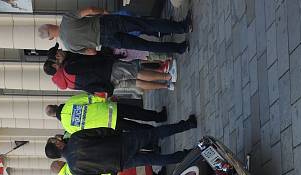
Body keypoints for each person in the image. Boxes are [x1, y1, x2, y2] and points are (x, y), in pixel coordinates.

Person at [44, 116, 197, 175]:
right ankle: (188, 124)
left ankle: (190, 154)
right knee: (154, 134)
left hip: (119, 163)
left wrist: (107, 167)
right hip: (120, 143)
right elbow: (101, 131)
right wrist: (116, 134)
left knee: (155, 160)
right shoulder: (76, 138)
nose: (58, 139)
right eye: (56, 140)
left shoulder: (74, 169)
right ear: (57, 145)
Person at [38, 8, 192, 55]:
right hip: (107, 23)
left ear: (51, 38)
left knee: (145, 46)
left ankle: (180, 48)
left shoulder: (69, 46)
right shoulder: (67, 19)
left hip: (106, 41)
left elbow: (91, 52)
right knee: (145, 24)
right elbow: (89, 10)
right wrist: (104, 11)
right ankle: (182, 27)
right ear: (50, 24)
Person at [44, 47, 174, 93]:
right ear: (55, 65)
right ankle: (167, 77)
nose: (60, 51)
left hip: (107, 83)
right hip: (107, 70)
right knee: (136, 71)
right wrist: (107, 59)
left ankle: (166, 86)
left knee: (136, 83)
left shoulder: (65, 83)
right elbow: (91, 64)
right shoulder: (68, 68)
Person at [46, 94, 168, 136]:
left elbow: (88, 132)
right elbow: (91, 98)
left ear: (53, 117)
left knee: (135, 128)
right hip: (110, 109)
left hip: (109, 124)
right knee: (137, 113)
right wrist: (107, 98)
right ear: (56, 105)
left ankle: (157, 133)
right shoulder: (70, 103)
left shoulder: (68, 127)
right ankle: (159, 117)